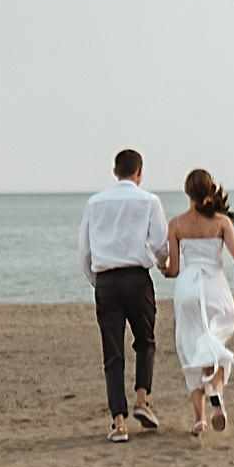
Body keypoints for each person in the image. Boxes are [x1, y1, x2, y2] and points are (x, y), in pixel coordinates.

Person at [79, 148, 168, 443]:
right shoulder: (149, 201)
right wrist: (164, 265)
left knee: (112, 352)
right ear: (139, 172)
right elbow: (160, 245)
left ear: (115, 171)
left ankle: (119, 421)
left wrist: (98, 281)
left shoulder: (94, 203)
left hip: (106, 279)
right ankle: (142, 398)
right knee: (145, 341)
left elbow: (85, 252)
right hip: (136, 278)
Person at [160, 167, 234, 436]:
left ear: (187, 192)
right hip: (214, 287)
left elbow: (174, 269)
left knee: (190, 348)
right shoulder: (222, 222)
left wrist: (162, 268)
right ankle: (216, 394)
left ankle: (199, 419)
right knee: (214, 346)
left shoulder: (176, 224)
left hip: (187, 288)